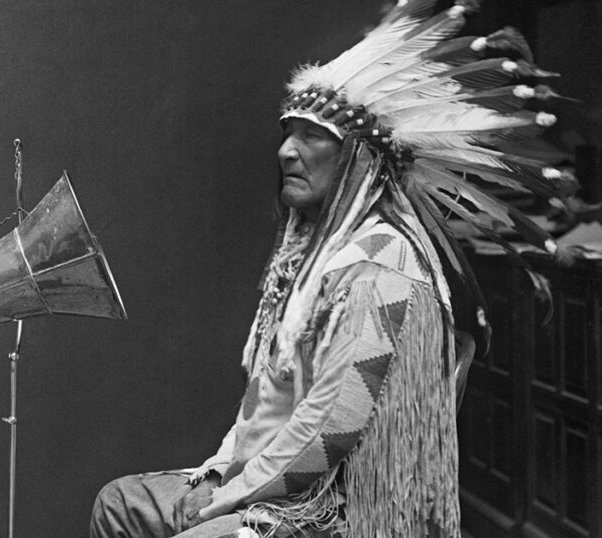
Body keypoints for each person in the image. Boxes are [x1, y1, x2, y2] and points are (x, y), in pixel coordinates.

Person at [91, 1, 576, 536]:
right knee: (122, 505)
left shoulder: (384, 267)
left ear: (361, 161)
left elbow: (334, 423)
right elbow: (265, 404)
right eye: (287, 131)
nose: (286, 152)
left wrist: (227, 499)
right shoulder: (315, 257)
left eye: (312, 135)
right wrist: (216, 472)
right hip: (267, 484)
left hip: (338, 507)